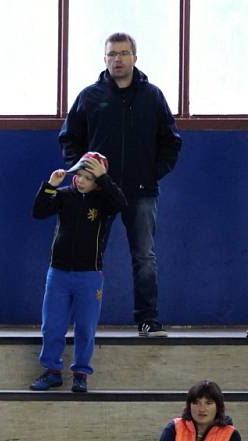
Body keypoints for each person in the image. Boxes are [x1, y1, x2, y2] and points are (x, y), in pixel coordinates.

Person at [59, 32, 182, 338]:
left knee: (144, 257)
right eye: (112, 54)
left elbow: (171, 142)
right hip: (99, 193)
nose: (118, 59)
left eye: (124, 53)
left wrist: (153, 173)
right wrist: (85, 172)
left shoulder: (153, 96)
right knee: (87, 256)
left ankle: (147, 321)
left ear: (135, 58)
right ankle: (84, 323)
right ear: (105, 59)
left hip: (142, 193)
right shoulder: (90, 96)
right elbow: (69, 138)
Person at [29, 152, 127, 393]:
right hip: (59, 273)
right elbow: (39, 211)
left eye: (88, 177)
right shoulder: (64, 196)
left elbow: (121, 204)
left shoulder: (104, 202)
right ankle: (52, 371)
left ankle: (81, 373)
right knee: (52, 325)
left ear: (98, 181)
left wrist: (105, 178)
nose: (81, 181)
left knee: (85, 326)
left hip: (89, 276)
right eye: (78, 175)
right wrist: (50, 186)